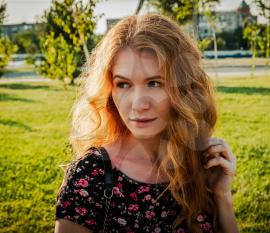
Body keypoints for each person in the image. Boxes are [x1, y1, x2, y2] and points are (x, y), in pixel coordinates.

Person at [54, 13, 238, 233]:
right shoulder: (90, 176)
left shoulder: (200, 163)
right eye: (123, 84)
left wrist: (222, 197)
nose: (138, 104)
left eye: (154, 83)